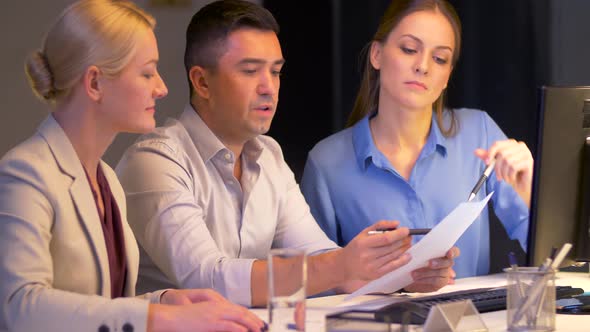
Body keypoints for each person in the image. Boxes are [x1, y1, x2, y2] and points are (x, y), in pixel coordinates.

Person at [116, 0, 459, 308]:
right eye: (250, 71)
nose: (269, 86)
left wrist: (406, 275)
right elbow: (207, 278)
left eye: (276, 71)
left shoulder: (269, 155)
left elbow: (319, 259)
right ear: (202, 83)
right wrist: (340, 265)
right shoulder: (155, 161)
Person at [0, 1, 265, 331]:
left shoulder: (107, 179)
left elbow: (103, 304)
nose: (161, 87)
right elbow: (19, 307)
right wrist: (159, 318)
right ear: (95, 83)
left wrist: (163, 300)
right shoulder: (24, 173)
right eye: (147, 72)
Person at [300, 0, 532, 279]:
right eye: (410, 49)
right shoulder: (326, 163)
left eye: (439, 59)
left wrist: (530, 191)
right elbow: (314, 283)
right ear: (377, 54)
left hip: (471, 321)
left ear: (447, 76)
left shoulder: (479, 132)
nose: (423, 66)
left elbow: (553, 250)